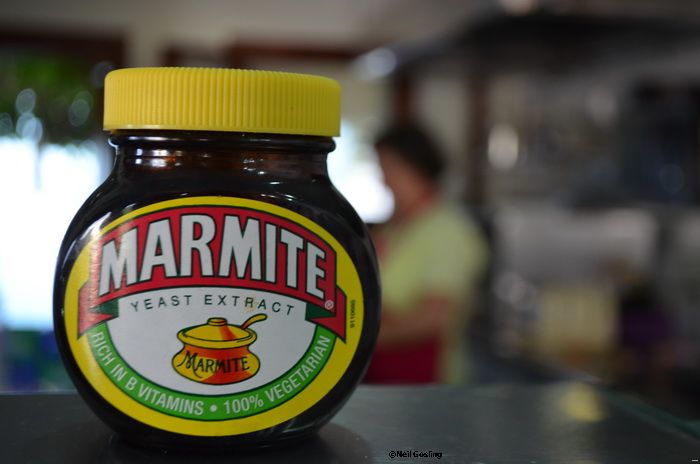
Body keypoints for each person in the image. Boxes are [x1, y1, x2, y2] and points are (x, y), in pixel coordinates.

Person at [364, 123, 489, 384]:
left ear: (415, 167)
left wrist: (361, 338)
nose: (384, 179)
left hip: (427, 381)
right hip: (384, 376)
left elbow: (434, 318)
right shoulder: (395, 228)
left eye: (388, 167)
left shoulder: (448, 230)